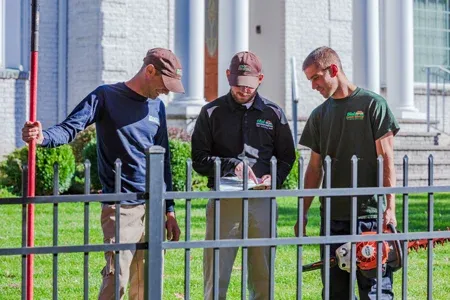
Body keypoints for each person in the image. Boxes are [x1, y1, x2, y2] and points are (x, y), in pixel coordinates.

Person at [21, 48, 183, 300]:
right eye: (166, 83)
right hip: (121, 206)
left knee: (149, 283)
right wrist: (42, 137)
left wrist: (169, 210)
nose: (167, 90)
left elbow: (164, 160)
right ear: (150, 71)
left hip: (154, 207)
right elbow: (70, 127)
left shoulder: (157, 107)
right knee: (116, 278)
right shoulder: (106, 96)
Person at [294, 46, 399, 299]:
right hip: (332, 217)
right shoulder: (319, 115)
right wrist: (303, 211)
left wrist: (390, 207)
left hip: (369, 215)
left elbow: (387, 159)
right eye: (309, 80)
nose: (313, 86)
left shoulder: (373, 104)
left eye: (316, 78)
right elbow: (314, 168)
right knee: (333, 292)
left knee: (375, 292)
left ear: (333, 69)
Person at [192, 51, 296, 300]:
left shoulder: (274, 113)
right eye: (238, 85)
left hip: (262, 199)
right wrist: (231, 165)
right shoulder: (211, 112)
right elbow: (198, 160)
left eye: (249, 85)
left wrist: (275, 178)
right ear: (228, 76)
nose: (244, 90)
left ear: (260, 79)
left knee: (263, 271)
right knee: (217, 269)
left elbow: (287, 157)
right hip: (224, 199)